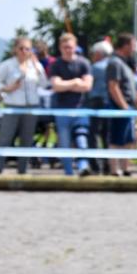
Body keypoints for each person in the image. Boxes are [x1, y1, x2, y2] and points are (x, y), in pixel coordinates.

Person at [0, 36, 46, 174]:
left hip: (31, 107)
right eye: (21, 48)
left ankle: (22, 170)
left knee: (27, 140)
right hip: (12, 106)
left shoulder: (36, 66)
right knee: (5, 138)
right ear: (15, 49)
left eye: (27, 48)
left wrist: (38, 68)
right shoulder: (7, 65)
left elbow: (44, 84)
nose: (24, 51)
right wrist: (7, 89)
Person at [49, 32, 94, 176]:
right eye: (65, 47)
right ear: (60, 48)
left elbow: (87, 86)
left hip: (80, 109)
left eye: (70, 47)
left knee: (82, 138)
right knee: (64, 142)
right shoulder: (56, 64)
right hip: (61, 110)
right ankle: (68, 172)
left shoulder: (84, 63)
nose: (68, 50)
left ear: (75, 47)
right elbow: (56, 86)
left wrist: (65, 84)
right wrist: (75, 82)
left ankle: (83, 166)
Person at [106, 33, 137, 177]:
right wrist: (124, 106)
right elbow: (113, 86)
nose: (134, 48)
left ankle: (125, 168)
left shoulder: (125, 62)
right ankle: (114, 169)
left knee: (128, 139)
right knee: (116, 139)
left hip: (127, 107)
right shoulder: (115, 62)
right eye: (133, 45)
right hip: (119, 107)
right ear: (125, 45)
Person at [86, 41, 113, 171]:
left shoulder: (95, 67)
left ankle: (95, 166)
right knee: (107, 136)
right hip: (109, 104)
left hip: (96, 103)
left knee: (93, 135)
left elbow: (88, 87)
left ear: (98, 53)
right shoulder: (114, 65)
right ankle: (108, 165)